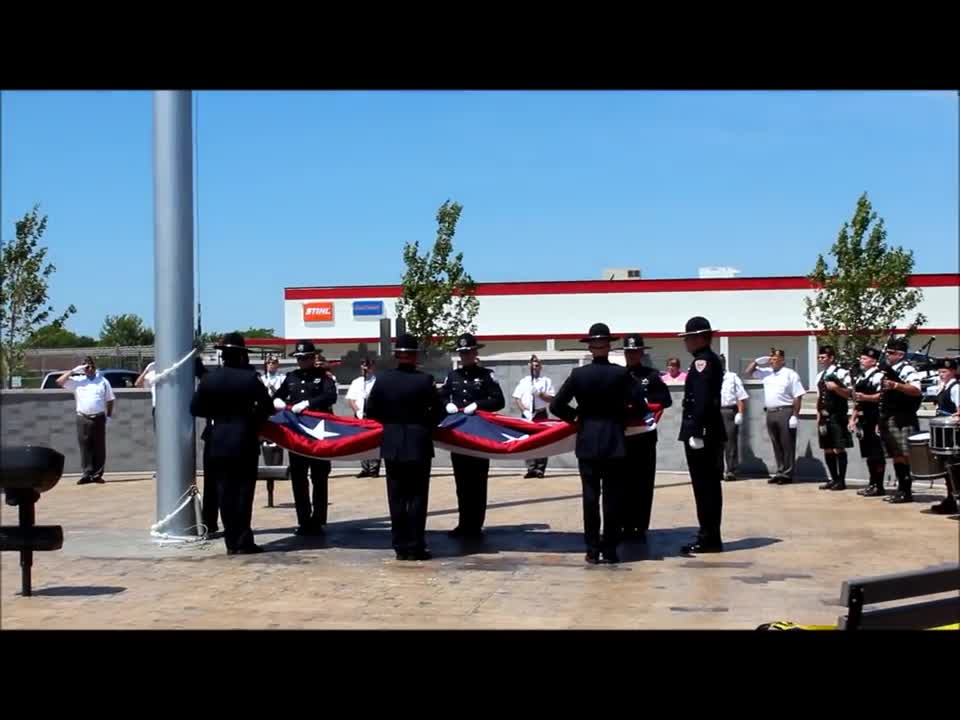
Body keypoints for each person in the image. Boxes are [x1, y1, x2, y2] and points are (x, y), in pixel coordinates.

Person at [550, 322, 630, 564]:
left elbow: (556, 406)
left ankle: (592, 549)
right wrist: (621, 417)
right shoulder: (620, 374)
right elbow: (639, 403)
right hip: (614, 440)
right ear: (608, 346)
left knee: (590, 497)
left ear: (591, 347)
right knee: (612, 498)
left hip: (587, 440)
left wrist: (576, 417)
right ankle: (611, 548)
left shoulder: (579, 375)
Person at [190, 333, 274, 555]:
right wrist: (250, 419)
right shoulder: (250, 379)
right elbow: (268, 407)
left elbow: (195, 409)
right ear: (240, 356)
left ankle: (231, 542)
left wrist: (218, 415)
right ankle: (243, 540)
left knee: (224, 492)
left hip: (216, 440)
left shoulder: (209, 379)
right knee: (243, 493)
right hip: (243, 439)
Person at [365, 334, 445, 561]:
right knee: (418, 497)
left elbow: (372, 411)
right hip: (418, 441)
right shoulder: (425, 380)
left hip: (392, 442)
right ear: (414, 356)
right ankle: (416, 545)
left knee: (397, 497)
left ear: (397, 355)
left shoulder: (383, 380)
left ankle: (400, 545)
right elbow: (438, 412)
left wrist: (391, 424)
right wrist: (424, 425)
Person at [440, 333, 505, 539]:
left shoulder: (486, 375)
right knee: (462, 482)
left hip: (478, 434)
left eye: (468, 352)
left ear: (475, 352)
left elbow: (498, 400)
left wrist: (479, 404)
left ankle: (475, 525)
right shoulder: (453, 376)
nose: (465, 356)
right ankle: (463, 523)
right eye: (462, 353)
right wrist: (446, 404)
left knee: (478, 481)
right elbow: (441, 396)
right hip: (459, 433)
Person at [272, 340, 338, 535]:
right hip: (298, 435)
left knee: (319, 477)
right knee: (299, 478)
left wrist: (309, 403)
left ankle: (318, 518)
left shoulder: (323, 377)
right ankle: (304, 519)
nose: (302, 361)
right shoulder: (291, 377)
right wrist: (277, 401)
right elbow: (279, 395)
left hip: (318, 435)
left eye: (306, 358)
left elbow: (330, 397)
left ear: (313, 358)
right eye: (299, 358)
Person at [677, 317, 726, 554]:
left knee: (705, 486)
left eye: (688, 337)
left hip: (703, 434)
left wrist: (697, 432)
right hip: (706, 431)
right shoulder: (704, 360)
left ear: (699, 338)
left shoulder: (703, 362)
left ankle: (709, 538)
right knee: (705, 486)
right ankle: (708, 534)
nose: (685, 342)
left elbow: (703, 400)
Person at [621, 334, 672, 541]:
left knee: (643, 482)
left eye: (636, 351)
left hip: (645, 436)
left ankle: (640, 525)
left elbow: (665, 400)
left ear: (642, 353)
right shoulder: (618, 375)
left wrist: (644, 402)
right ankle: (624, 524)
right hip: (623, 436)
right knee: (623, 483)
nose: (632, 355)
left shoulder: (650, 376)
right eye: (629, 352)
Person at [745, 349, 806, 485]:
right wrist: (756, 362)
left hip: (785, 411)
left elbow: (798, 395)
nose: (772, 361)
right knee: (776, 444)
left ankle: (787, 473)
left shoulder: (790, 374)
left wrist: (795, 416)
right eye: (771, 359)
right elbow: (748, 372)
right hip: (771, 412)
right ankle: (779, 471)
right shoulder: (767, 373)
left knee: (787, 444)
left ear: (782, 360)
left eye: (775, 359)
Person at [56, 356, 115, 485]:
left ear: (95, 367)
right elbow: (59, 381)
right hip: (83, 417)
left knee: (99, 447)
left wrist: (109, 416)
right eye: (86, 367)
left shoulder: (103, 381)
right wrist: (74, 371)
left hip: (99, 417)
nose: (89, 369)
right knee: (85, 446)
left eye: (91, 366)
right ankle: (87, 474)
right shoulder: (77, 381)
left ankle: (97, 474)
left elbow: (110, 399)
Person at [877, 338, 923, 504]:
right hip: (888, 417)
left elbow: (916, 390)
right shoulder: (888, 370)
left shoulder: (907, 370)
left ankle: (907, 490)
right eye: (887, 352)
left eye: (891, 353)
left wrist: (896, 386)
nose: (887, 355)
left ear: (900, 354)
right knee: (896, 455)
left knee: (904, 455)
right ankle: (901, 490)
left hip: (903, 417)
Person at [814, 345, 854, 491]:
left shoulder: (842, 373)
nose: (820, 359)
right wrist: (818, 415)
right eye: (819, 357)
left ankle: (841, 480)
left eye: (823, 357)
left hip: (838, 415)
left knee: (839, 448)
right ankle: (833, 478)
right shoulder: (819, 375)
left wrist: (836, 388)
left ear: (831, 358)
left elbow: (849, 394)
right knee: (827, 448)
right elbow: (819, 397)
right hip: (824, 416)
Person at [849, 348, 888, 497]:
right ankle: (872, 483)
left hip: (875, 417)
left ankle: (879, 485)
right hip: (864, 418)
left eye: (865, 358)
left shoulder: (879, 376)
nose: (861, 361)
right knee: (869, 454)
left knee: (877, 453)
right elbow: (857, 400)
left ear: (873, 361)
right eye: (861, 358)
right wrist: (853, 417)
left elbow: (882, 397)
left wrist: (866, 397)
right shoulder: (861, 377)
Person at [511, 354, 555, 478]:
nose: (535, 367)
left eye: (537, 365)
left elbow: (551, 398)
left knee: (542, 440)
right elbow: (517, 398)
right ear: (529, 366)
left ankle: (540, 468)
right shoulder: (524, 381)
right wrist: (524, 410)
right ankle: (530, 468)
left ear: (541, 366)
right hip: (527, 414)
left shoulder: (546, 381)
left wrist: (540, 394)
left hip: (540, 413)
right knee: (527, 441)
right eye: (533, 365)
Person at [929, 357, 959, 515]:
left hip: (953, 434)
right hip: (944, 433)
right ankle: (951, 499)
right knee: (947, 468)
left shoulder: (955, 388)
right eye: (940, 371)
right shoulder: (943, 386)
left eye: (944, 371)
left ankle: (954, 499)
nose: (941, 374)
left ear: (953, 371)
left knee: (954, 467)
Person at [346, 356, 381, 478]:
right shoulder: (356, 382)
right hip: (359, 417)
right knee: (361, 443)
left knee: (373, 443)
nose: (364, 369)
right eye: (362, 366)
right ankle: (364, 468)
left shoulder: (377, 381)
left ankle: (374, 469)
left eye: (367, 366)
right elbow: (350, 399)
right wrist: (356, 410)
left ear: (372, 368)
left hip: (373, 416)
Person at [719, 353, 749, 481]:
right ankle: (717, 471)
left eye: (721, 362)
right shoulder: (710, 376)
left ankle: (731, 470)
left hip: (728, 411)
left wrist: (740, 413)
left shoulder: (732, 377)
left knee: (730, 442)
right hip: (714, 412)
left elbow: (741, 396)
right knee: (715, 444)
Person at [258, 355, 286, 467]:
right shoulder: (262, 378)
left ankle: (278, 464)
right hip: (266, 412)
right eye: (269, 362)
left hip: (278, 411)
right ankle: (268, 465)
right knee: (266, 438)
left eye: (274, 362)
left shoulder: (282, 378)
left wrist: (274, 390)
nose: (271, 364)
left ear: (277, 364)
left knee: (278, 439)